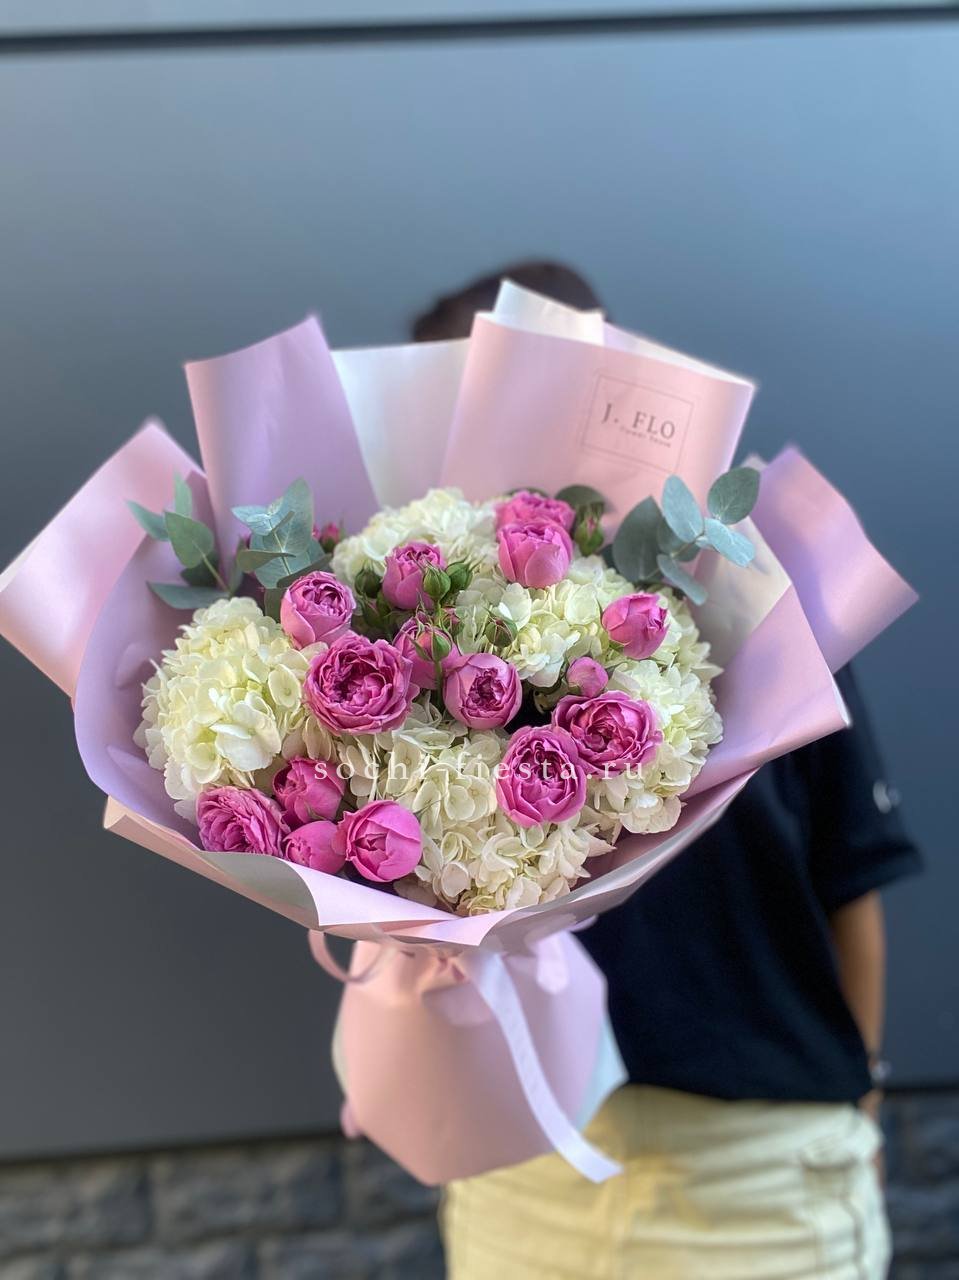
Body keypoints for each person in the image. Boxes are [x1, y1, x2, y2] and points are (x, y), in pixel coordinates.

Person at [414, 261, 922, 1280]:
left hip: (757, 1174)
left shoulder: (753, 596)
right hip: (523, 1174)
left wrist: (858, 1091)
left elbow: (851, 872)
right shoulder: (410, 640)